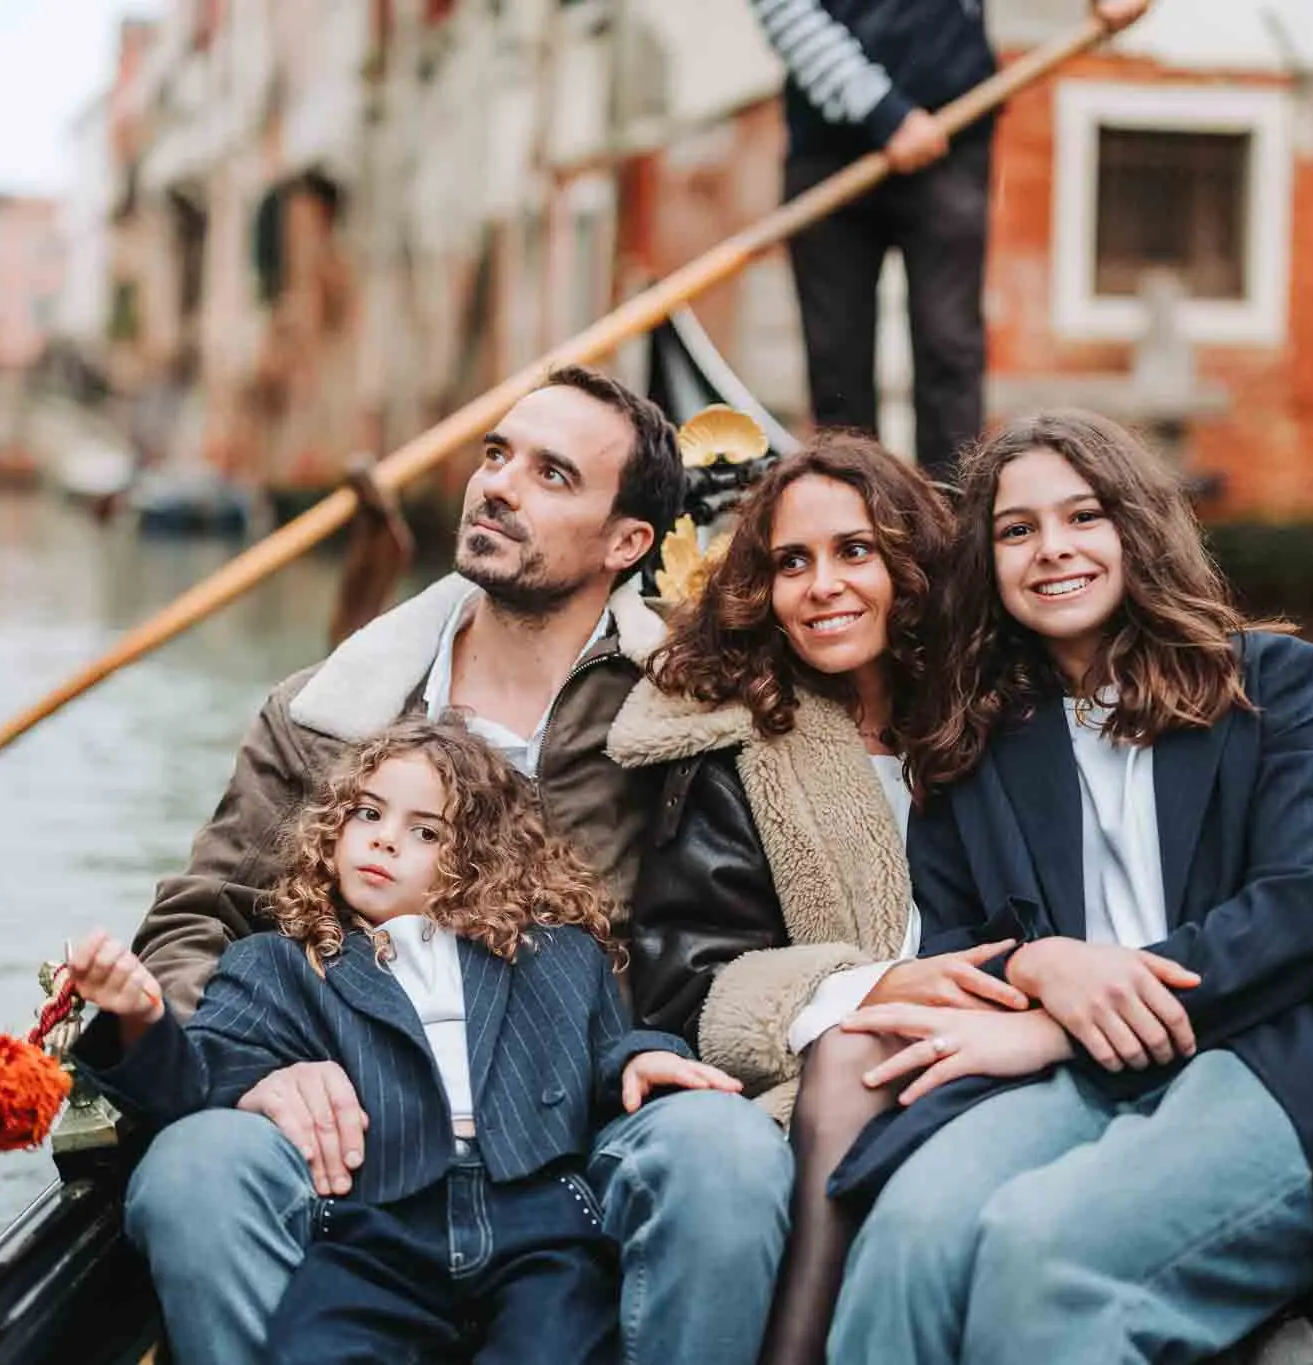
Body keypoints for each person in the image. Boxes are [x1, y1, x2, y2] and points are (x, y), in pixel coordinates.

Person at [612, 430, 1313, 1365]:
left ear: (1139, 528)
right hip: (1065, 1071)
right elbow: (960, 931)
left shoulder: (1268, 679)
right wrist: (1036, 961)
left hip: (1255, 1054)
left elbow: (1308, 894)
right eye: (1018, 529)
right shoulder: (982, 728)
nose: (1054, 548)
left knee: (1037, 1256)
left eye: (1084, 516)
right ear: (984, 562)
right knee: (906, 1239)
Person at [76, 365, 793, 1365]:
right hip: (355, 1129)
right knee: (197, 1167)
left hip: (579, 1118)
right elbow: (197, 925)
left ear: (627, 542)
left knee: (726, 1157)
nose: (497, 484)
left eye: (551, 475)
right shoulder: (323, 713)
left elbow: (729, 940)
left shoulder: (682, 718)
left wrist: (645, 1055)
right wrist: (257, 1073)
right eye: (494, 454)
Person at [67, 722, 738, 1364]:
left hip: (543, 1220)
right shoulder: (279, 963)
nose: (384, 841)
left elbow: (605, 1054)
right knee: (312, 1349)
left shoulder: (553, 954)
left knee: (557, 1346)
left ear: (478, 859)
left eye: (424, 831)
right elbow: (202, 1081)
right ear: (332, 826)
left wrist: (646, 1055)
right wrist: (138, 1018)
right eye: (367, 814)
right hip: (372, 1224)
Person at [750, 0, 1148, 479]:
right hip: (827, 144)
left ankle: (956, 522)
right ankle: (852, 520)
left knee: (949, 349)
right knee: (838, 367)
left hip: (954, 124)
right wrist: (884, 112)